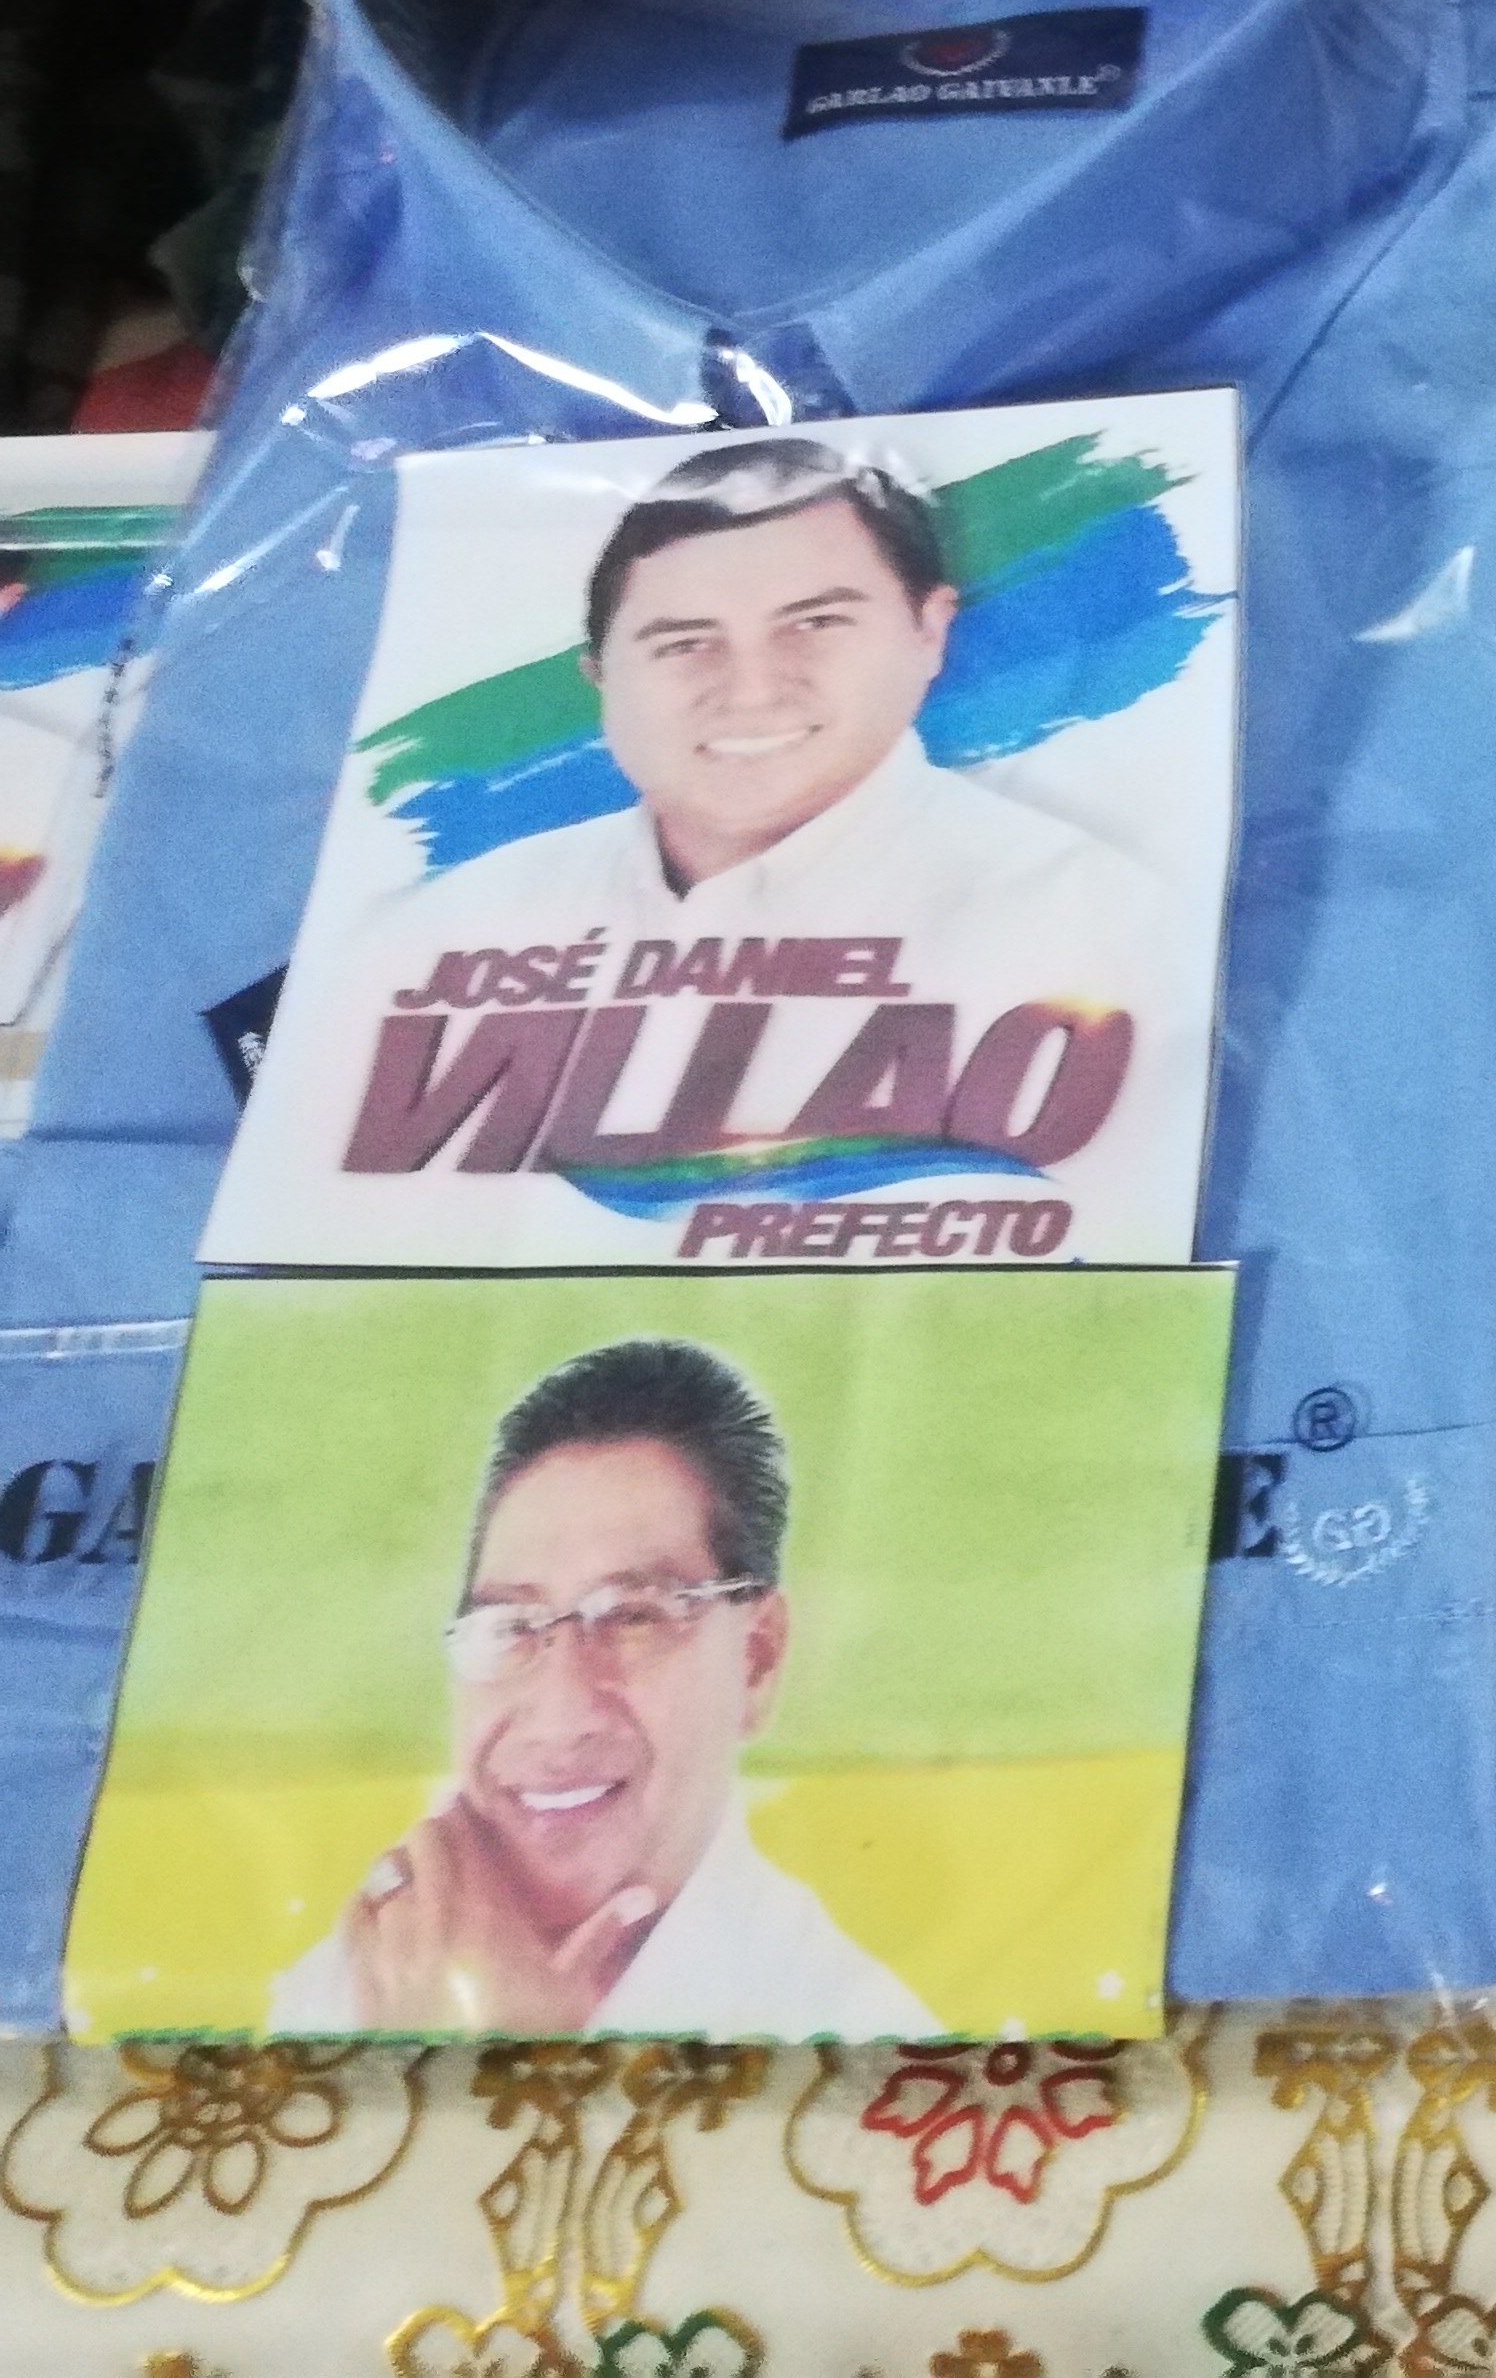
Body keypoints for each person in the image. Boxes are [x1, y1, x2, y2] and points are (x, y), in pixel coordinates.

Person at [224, 434, 1181, 1254]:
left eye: (816, 623)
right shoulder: (431, 934)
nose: (752, 690)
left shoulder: (1105, 923)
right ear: (600, 677)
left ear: (929, 631)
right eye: (684, 643)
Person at [271, 1338, 935, 2034]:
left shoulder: (858, 2029)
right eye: (511, 1626)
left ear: (757, 1658)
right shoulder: (360, 1967)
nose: (559, 1719)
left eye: (632, 1619)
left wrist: (490, 2058)